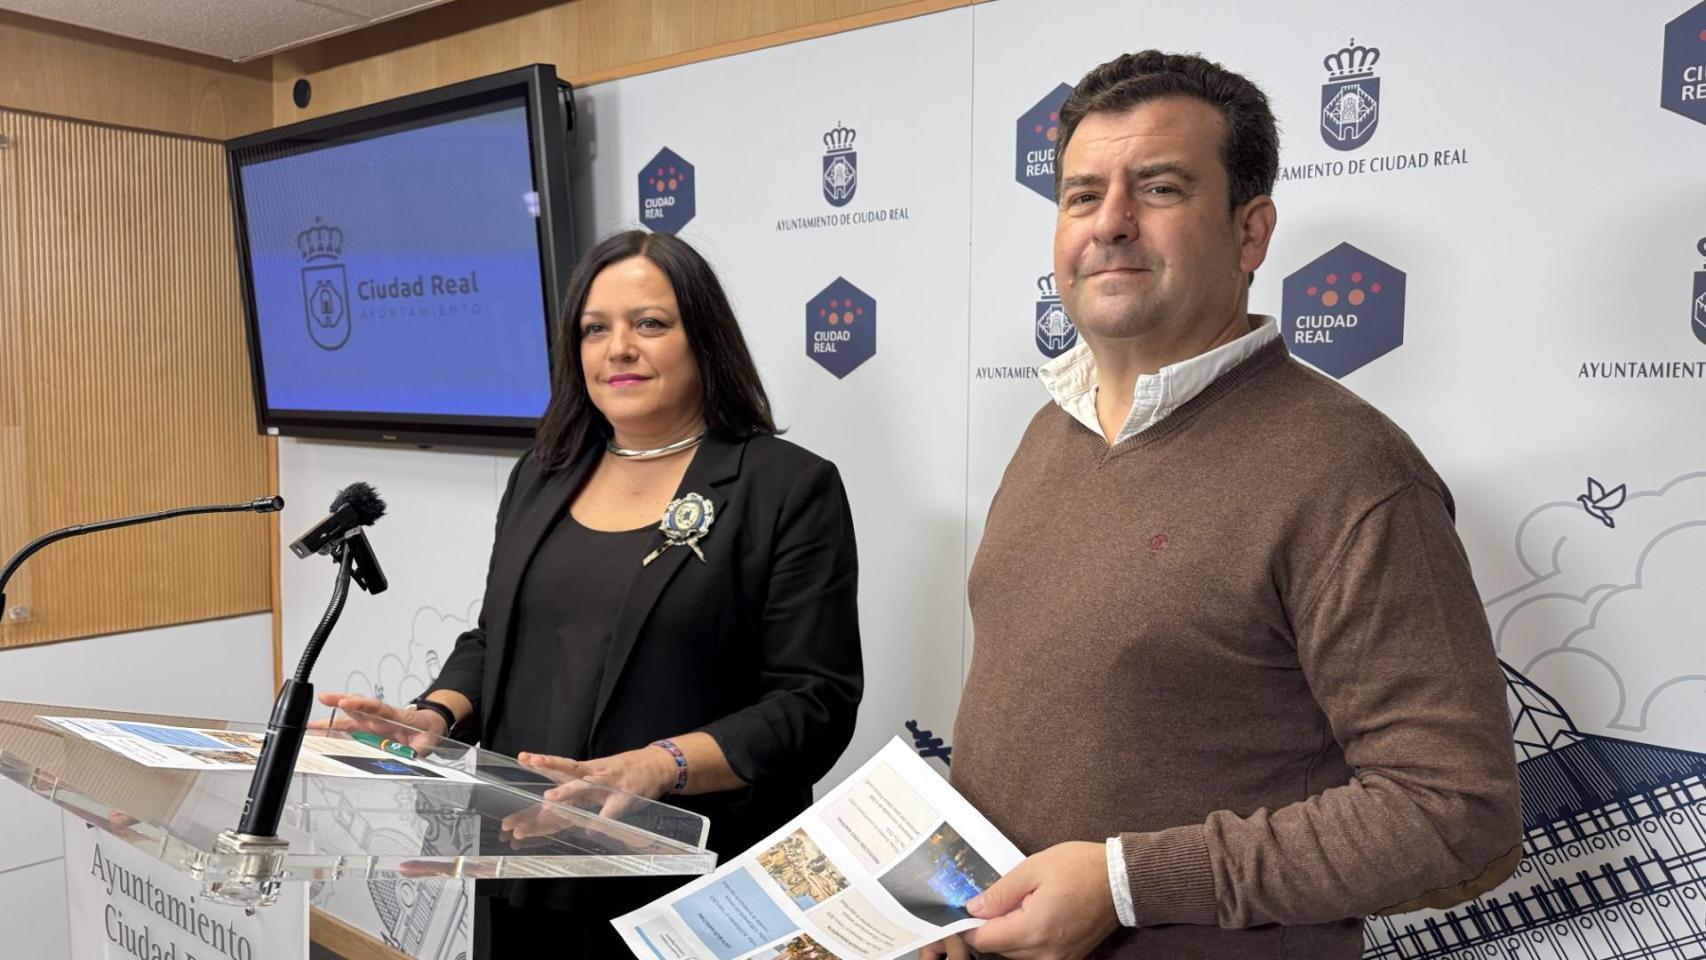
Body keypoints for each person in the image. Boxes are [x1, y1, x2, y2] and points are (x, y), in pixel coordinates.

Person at [927, 51, 1521, 960]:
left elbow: (1454, 811)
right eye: (1082, 196)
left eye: (1158, 188)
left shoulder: (1350, 469)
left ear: (1251, 233)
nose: (1111, 224)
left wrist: (1128, 885)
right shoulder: (1052, 430)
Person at [318, 230, 863, 958]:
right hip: (524, 859)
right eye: (594, 329)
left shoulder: (785, 487)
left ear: (704, 338)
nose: (619, 349)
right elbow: (496, 637)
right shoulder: (543, 474)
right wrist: (435, 714)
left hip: (686, 883)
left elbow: (813, 703)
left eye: (650, 324)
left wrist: (657, 766)